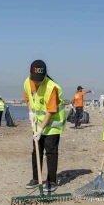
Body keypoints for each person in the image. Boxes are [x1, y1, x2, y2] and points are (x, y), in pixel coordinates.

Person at [23, 59, 66, 192]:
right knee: (36, 150)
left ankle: (52, 181)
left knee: (51, 152)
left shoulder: (51, 87)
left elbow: (50, 111)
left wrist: (42, 129)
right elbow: (28, 99)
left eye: (39, 80)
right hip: (37, 123)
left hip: (53, 124)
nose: (36, 82)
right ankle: (36, 178)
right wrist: (31, 113)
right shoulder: (27, 82)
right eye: (34, 79)